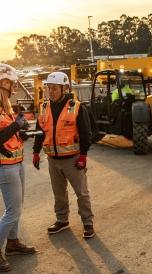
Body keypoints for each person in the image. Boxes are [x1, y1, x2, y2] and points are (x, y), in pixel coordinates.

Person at [0, 63, 36, 272]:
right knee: (12, 211)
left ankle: (12, 243)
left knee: (17, 207)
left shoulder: (3, 107)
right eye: (11, 84)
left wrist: (21, 132)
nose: (13, 88)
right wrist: (15, 125)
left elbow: (9, 135)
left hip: (15, 163)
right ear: (3, 83)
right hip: (3, 167)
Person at [32, 72, 95, 238]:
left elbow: (86, 133)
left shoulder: (76, 107)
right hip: (53, 160)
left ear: (64, 88)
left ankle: (88, 223)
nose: (50, 91)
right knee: (58, 193)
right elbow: (40, 132)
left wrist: (83, 156)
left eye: (54, 88)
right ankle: (62, 220)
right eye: (49, 88)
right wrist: (35, 152)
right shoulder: (44, 108)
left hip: (73, 160)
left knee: (81, 193)